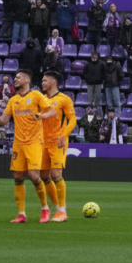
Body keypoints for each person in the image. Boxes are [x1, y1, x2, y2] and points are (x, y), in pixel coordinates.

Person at [0, 70, 57, 223]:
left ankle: (45, 209)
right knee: (18, 177)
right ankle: (21, 214)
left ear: (27, 80)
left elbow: (52, 111)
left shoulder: (36, 95)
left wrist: (41, 116)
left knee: (34, 176)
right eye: (15, 78)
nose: (15, 80)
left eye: (18, 77)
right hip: (18, 143)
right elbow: (3, 121)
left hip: (34, 142)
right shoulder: (13, 100)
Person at [39, 71, 77, 222]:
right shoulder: (40, 99)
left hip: (58, 141)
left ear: (53, 82)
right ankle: (57, 207)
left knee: (56, 174)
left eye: (45, 80)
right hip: (42, 142)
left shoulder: (64, 99)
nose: (42, 83)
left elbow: (72, 119)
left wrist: (64, 135)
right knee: (43, 175)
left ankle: (62, 211)